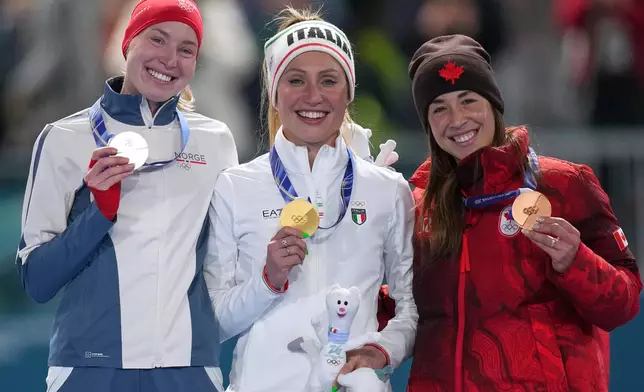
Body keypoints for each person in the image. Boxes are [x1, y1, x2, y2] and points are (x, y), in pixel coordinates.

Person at [16, 1, 237, 391]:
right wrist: (98, 213)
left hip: (188, 371)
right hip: (89, 369)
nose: (170, 59)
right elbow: (37, 281)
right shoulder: (64, 139)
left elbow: (223, 270)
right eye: (158, 39)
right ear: (127, 42)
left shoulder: (216, 141)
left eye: (186, 49)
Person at [405, 34, 642, 392]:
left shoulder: (563, 184)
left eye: (469, 100)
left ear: (493, 105)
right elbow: (394, 312)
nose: (457, 119)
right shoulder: (418, 207)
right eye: (439, 108)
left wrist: (575, 261)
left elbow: (623, 304)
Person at [204, 7, 417, 392]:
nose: (313, 96)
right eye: (296, 80)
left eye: (329, 80)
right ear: (274, 92)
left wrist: (383, 351)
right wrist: (267, 281)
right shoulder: (235, 186)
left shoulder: (388, 190)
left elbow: (409, 310)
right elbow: (213, 323)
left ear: (349, 91)